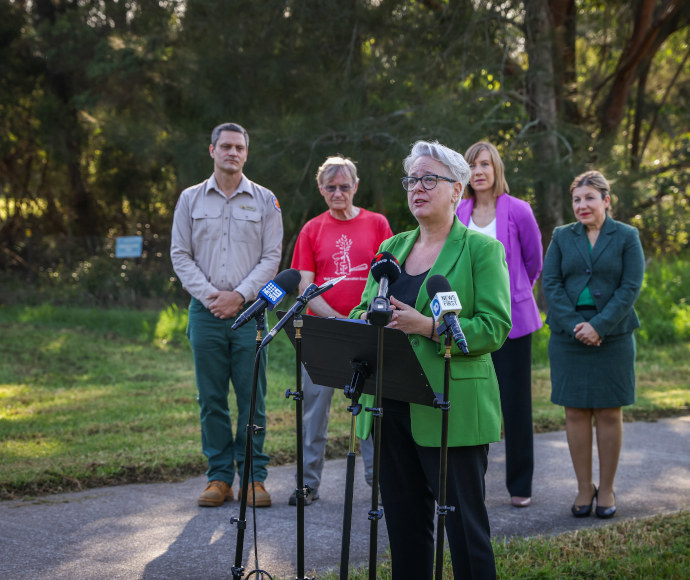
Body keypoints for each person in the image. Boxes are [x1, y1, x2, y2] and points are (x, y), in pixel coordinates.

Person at [350, 140, 511, 579]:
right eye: (411, 180)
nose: (416, 188)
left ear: (457, 190)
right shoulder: (392, 247)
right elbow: (362, 308)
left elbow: (495, 325)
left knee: (464, 530)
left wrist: (428, 326)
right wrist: (365, 319)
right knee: (405, 531)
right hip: (389, 404)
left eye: (428, 179)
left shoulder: (481, 250)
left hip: (449, 407)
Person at [170, 122, 284, 508]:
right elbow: (179, 255)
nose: (232, 152)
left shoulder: (266, 200)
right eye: (226, 146)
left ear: (246, 154)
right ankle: (219, 477)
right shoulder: (190, 199)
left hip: (250, 315)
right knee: (212, 399)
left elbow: (272, 258)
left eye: (239, 147)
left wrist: (238, 296)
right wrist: (211, 297)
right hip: (205, 315)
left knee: (253, 398)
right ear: (212, 150)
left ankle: (254, 477)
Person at [289, 155, 393, 505]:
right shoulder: (311, 230)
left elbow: (390, 276)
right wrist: (335, 319)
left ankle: (378, 484)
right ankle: (308, 485)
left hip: (365, 331)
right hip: (324, 334)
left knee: (370, 413)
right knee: (313, 412)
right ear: (321, 189)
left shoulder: (378, 224)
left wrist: (365, 316)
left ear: (355, 187)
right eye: (330, 187)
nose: (337, 193)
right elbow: (305, 287)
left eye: (344, 186)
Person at [543, 170, 644, 519]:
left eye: (589, 198)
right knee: (574, 411)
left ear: (606, 201)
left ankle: (608, 487)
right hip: (567, 337)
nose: (582, 205)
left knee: (608, 411)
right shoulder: (561, 236)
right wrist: (576, 326)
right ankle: (584, 487)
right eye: (576, 199)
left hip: (612, 336)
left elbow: (631, 286)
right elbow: (551, 285)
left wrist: (599, 326)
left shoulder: (627, 236)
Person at [456, 141, 543, 508]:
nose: (478, 171)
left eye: (485, 164)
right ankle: (466, 484)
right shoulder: (458, 211)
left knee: (516, 405)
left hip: (513, 325)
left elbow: (533, 261)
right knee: (468, 401)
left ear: (496, 170)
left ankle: (520, 485)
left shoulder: (519, 210)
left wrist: (517, 295)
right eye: (472, 165)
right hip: (469, 325)